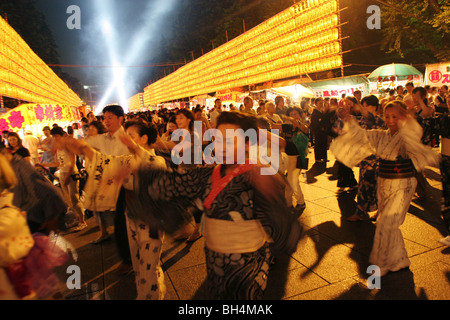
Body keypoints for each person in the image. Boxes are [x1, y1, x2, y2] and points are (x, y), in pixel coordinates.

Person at [126, 111, 303, 299]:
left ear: (247, 144)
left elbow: (288, 231)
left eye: (230, 141)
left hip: (245, 271)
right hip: (217, 265)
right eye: (218, 140)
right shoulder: (213, 172)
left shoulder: (257, 176)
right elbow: (176, 184)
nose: (221, 147)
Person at [330, 100, 439, 276]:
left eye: (395, 116)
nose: (390, 120)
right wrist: (349, 120)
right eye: (387, 116)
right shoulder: (382, 135)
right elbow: (362, 136)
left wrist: (409, 122)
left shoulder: (405, 135)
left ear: (403, 117)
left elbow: (415, 140)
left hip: (402, 184)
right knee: (388, 223)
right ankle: (400, 259)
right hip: (385, 182)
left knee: (386, 223)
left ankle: (384, 263)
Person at [85, 104, 132, 275]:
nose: (106, 121)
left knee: (125, 221)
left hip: (127, 187)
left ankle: (131, 258)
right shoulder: (103, 139)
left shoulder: (128, 137)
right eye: (104, 117)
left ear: (121, 118)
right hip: (112, 187)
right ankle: (127, 257)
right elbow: (86, 146)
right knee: (120, 222)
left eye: (110, 117)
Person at [346, 95, 387, 221]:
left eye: (366, 106)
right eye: (362, 106)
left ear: (374, 107)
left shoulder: (380, 120)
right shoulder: (362, 121)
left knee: (379, 188)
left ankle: (380, 211)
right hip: (365, 159)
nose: (363, 109)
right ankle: (361, 212)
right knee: (363, 186)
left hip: (378, 160)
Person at [39, 127, 86, 232]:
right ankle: (78, 219)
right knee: (68, 199)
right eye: (54, 136)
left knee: (74, 198)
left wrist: (68, 176)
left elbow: (72, 163)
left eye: (56, 136)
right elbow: (56, 163)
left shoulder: (68, 147)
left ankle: (83, 221)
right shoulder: (58, 149)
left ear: (61, 136)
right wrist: (42, 164)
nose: (55, 138)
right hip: (63, 174)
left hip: (72, 174)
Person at [310, 97, 328, 163]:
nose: (321, 104)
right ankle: (318, 158)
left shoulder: (321, 111)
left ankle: (324, 157)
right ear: (316, 103)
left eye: (322, 103)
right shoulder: (315, 112)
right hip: (318, 131)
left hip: (323, 131)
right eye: (320, 103)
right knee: (318, 144)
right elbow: (315, 123)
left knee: (324, 144)